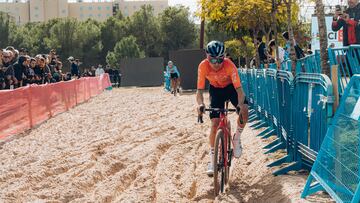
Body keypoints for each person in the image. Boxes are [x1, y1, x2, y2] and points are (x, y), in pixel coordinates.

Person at [196, 41, 249, 176]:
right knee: (214, 124)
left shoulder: (229, 65)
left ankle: (236, 138)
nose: (216, 63)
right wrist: (200, 104)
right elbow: (200, 91)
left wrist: (240, 105)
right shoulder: (203, 66)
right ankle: (213, 159)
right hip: (215, 90)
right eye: (212, 59)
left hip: (231, 88)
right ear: (207, 57)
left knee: (244, 110)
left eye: (220, 59)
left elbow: (240, 91)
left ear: (223, 57)